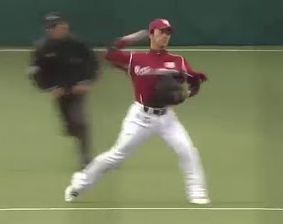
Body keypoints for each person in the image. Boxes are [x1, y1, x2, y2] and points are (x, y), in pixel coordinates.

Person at [64, 18, 210, 204]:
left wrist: (187, 93)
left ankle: (197, 192)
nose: (165, 36)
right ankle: (79, 184)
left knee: (187, 150)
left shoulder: (177, 61)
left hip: (167, 118)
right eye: (161, 32)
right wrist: (128, 39)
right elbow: (109, 54)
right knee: (116, 157)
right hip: (140, 118)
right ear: (151, 34)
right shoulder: (136, 58)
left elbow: (194, 81)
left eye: (168, 33)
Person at [28, 13, 99, 170]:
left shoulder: (78, 44)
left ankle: (85, 157)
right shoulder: (42, 48)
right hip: (59, 92)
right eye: (55, 27)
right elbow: (35, 72)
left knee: (79, 121)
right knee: (70, 126)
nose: (62, 29)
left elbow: (92, 64)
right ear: (49, 30)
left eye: (62, 26)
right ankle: (73, 130)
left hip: (77, 89)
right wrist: (49, 88)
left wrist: (86, 82)